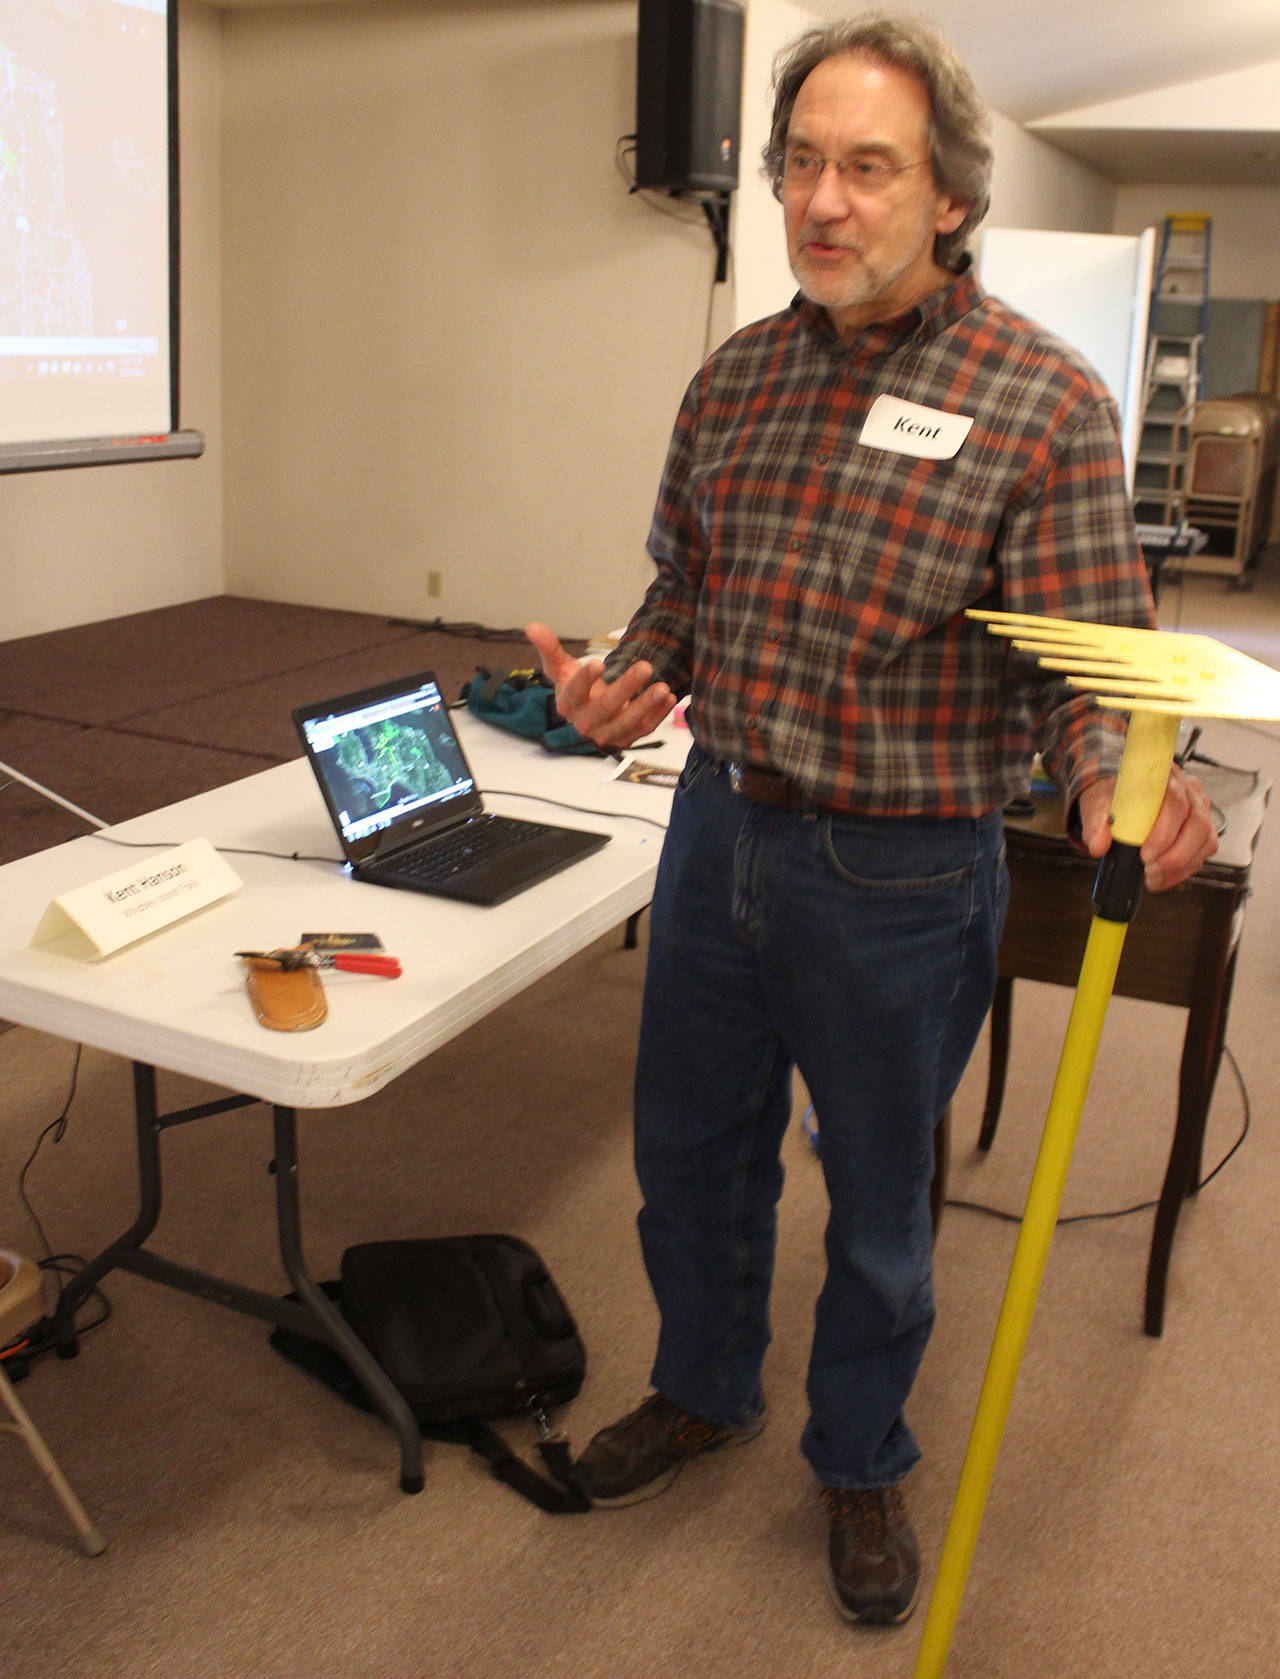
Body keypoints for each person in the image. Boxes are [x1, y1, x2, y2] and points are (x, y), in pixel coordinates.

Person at [527, 12, 1219, 1629]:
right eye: (800, 166)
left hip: (899, 873)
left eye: (867, 167)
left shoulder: (1042, 402)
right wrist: (631, 680)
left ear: (950, 198)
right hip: (715, 837)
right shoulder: (735, 380)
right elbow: (685, 592)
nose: (823, 201)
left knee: (881, 1210)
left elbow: (1080, 671)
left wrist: (1133, 774)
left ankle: (858, 1452)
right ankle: (704, 1385)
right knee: (690, 1162)